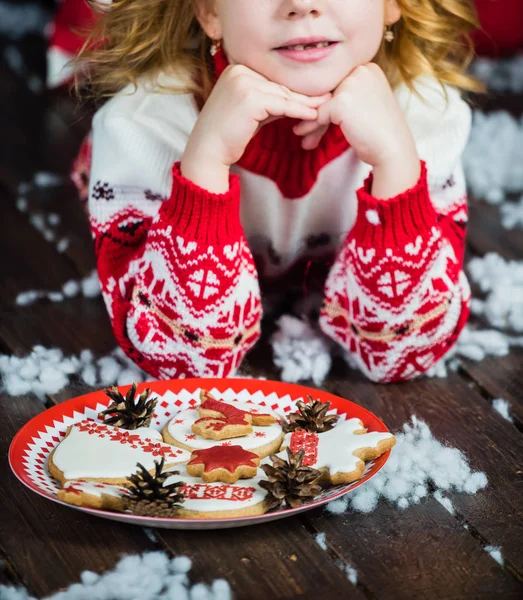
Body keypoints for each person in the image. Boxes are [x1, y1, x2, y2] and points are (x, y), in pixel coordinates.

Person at [72, 0, 485, 383]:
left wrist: (396, 167)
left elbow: (402, 354)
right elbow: (184, 364)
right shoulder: (142, 128)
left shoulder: (425, 114)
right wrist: (206, 162)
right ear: (209, 10)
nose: (302, 5)